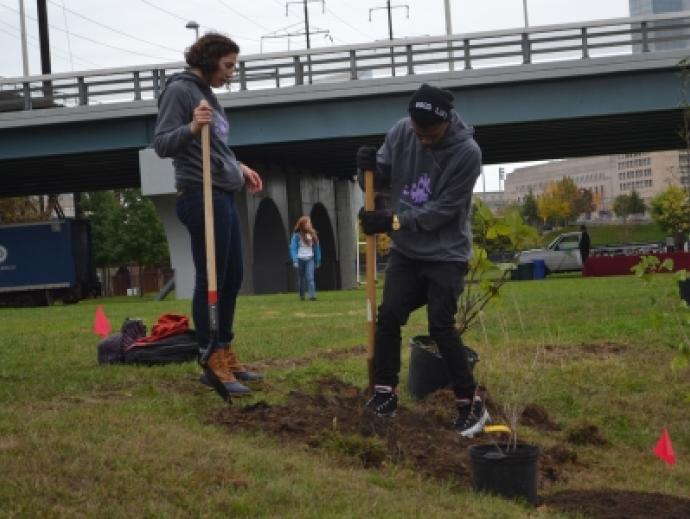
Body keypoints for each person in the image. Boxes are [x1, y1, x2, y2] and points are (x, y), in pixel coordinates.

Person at [356, 83, 489, 438]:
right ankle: (385, 393)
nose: (423, 139)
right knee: (389, 315)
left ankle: (469, 402)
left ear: (446, 122)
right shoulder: (402, 132)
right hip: (407, 252)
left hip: (447, 254)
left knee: (440, 326)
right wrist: (366, 170)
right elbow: (379, 179)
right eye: (419, 132)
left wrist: (393, 221)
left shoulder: (467, 152)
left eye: (430, 133)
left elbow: (445, 210)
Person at [153, 33, 263, 396]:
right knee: (212, 278)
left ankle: (225, 348)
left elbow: (214, 146)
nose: (232, 73)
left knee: (232, 275)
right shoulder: (180, 91)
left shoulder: (209, 93)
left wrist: (238, 165)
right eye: (228, 65)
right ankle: (209, 357)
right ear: (210, 59)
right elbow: (163, 143)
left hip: (221, 192)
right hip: (200, 195)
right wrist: (191, 127)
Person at [289, 216, 322, 301]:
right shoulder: (297, 236)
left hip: (309, 259)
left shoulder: (313, 235)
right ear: (303, 225)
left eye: (310, 223)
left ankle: (312, 296)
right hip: (300, 260)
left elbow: (317, 248)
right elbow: (293, 248)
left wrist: (317, 260)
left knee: (310, 277)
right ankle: (302, 295)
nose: (310, 224)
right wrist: (295, 261)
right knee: (301, 278)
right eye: (308, 223)